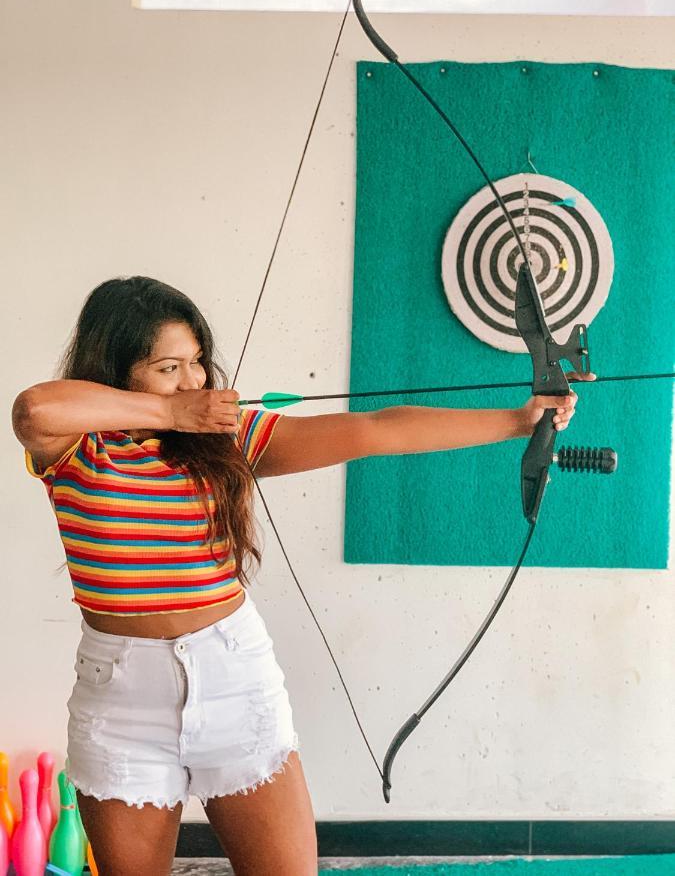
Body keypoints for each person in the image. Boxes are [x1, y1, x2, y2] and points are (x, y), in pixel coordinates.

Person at [12, 276, 592, 876]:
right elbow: (33, 408)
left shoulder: (227, 438)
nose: (193, 382)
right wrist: (167, 411)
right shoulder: (77, 448)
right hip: (122, 697)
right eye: (168, 367)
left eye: (198, 363)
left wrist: (519, 421)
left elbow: (377, 431)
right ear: (116, 369)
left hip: (232, 677)